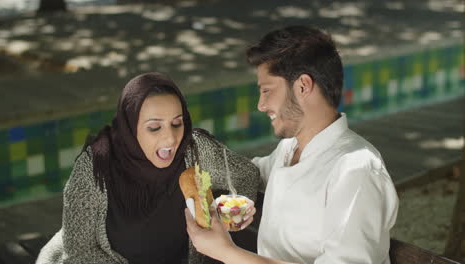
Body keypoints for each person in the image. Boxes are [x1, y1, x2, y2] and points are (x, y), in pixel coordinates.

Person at [185, 25, 399, 264]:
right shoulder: (290, 149)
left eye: (267, 91)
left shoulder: (356, 170)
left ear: (302, 86)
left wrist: (227, 252)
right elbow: (248, 173)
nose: (261, 105)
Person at [36, 72, 260, 264]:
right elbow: (80, 254)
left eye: (177, 123)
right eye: (154, 127)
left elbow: (244, 173)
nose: (170, 139)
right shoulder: (95, 167)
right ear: (131, 127)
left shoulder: (194, 149)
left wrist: (229, 218)